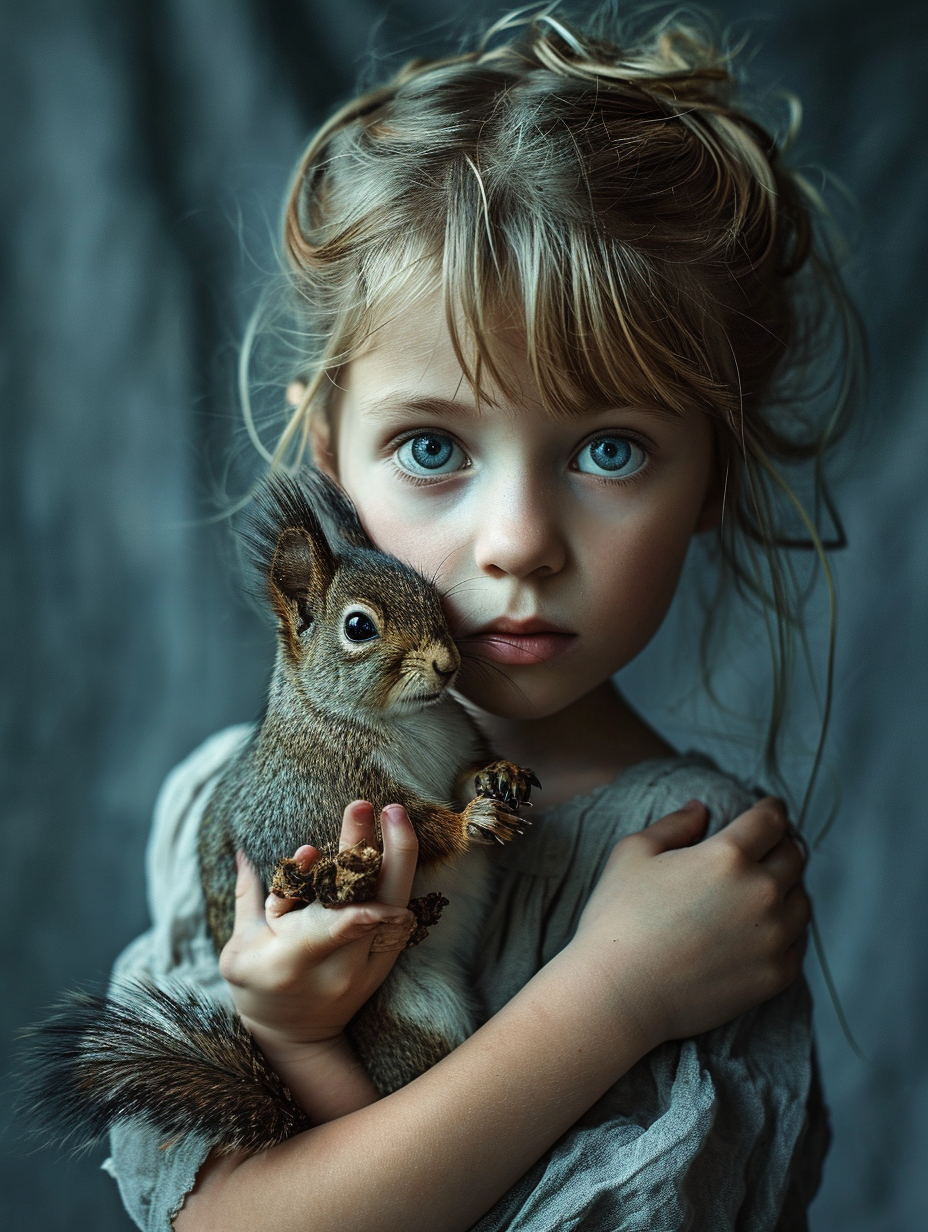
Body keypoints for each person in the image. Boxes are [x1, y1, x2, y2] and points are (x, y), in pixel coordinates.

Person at [103, 7, 859, 1230]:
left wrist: (617, 988)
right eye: (433, 445)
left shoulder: (692, 881)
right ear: (327, 454)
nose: (516, 541)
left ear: (711, 474)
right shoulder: (236, 808)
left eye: (610, 447)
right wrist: (298, 1040)